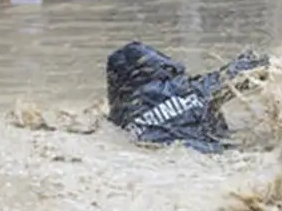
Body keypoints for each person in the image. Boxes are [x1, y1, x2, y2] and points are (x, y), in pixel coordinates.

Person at [105, 41, 270, 153]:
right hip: (215, 154)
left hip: (168, 160)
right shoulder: (188, 88)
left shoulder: (121, 118)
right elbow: (251, 70)